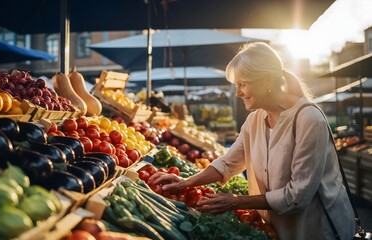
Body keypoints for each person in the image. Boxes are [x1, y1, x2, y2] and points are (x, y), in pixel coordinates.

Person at [148, 42, 356, 240]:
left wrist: (236, 202)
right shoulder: (255, 119)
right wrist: (186, 182)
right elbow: (228, 163)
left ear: (266, 80)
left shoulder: (308, 119)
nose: (238, 92)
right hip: (279, 228)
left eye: (243, 84)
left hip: (316, 230)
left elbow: (297, 195)